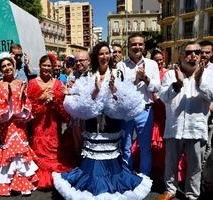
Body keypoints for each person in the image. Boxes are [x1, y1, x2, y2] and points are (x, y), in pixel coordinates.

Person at [52, 41, 152, 200]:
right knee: (92, 160)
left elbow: (125, 102)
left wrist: (114, 91)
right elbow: (83, 102)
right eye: (101, 53)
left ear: (110, 55)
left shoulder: (119, 74)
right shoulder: (88, 76)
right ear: (96, 57)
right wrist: (95, 90)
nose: (104, 56)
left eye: (107, 53)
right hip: (93, 123)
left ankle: (110, 191)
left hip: (112, 124)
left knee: (112, 160)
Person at [158, 41, 213, 200]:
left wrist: (199, 80)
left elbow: (210, 96)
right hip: (174, 128)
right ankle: (170, 191)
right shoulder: (170, 74)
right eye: (189, 52)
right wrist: (178, 83)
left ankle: (192, 195)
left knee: (195, 166)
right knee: (170, 164)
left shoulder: (209, 74)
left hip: (196, 128)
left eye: (197, 52)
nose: (194, 55)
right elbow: (163, 97)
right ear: (181, 55)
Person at [0, 57, 38, 196]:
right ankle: (7, 183)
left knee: (20, 151)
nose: (7, 68)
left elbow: (27, 105)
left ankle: (23, 183)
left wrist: (21, 100)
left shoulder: (21, 83)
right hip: (6, 124)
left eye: (9, 65)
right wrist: (7, 99)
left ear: (14, 66)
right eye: (4, 66)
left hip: (20, 123)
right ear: (1, 69)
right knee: (9, 151)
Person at [27, 55, 77, 189]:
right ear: (39, 65)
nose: (47, 68)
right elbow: (28, 108)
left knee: (54, 150)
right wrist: (41, 98)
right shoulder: (32, 83)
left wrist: (55, 101)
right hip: (38, 124)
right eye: (44, 65)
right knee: (40, 149)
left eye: (49, 66)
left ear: (53, 67)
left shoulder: (58, 83)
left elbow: (63, 108)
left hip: (54, 124)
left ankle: (55, 176)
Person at [117, 33, 161, 176]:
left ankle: (144, 178)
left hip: (145, 111)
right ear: (128, 47)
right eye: (133, 44)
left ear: (144, 46)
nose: (137, 47)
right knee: (126, 146)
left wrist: (145, 79)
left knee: (145, 147)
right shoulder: (121, 65)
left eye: (140, 44)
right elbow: (119, 89)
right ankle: (127, 176)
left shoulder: (152, 64)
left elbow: (157, 88)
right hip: (127, 112)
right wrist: (135, 81)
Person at [200, 40, 213, 163]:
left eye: (207, 52)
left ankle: (204, 175)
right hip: (195, 114)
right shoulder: (193, 67)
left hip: (210, 115)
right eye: (202, 52)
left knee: (207, 144)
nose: (204, 55)